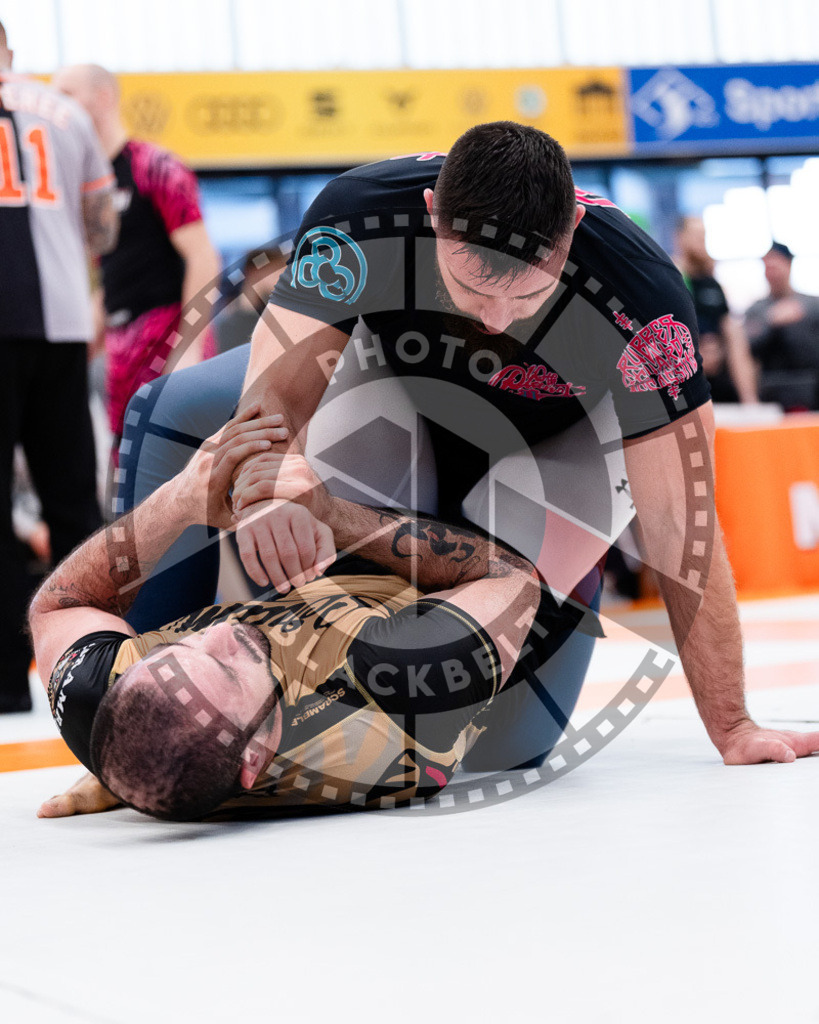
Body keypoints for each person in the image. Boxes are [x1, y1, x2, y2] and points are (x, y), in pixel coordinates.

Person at [117, 122, 806, 769]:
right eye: (474, 285)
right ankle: (158, 688)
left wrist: (732, 724)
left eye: (526, 289)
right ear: (430, 214)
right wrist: (269, 483)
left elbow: (680, 523)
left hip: (561, 443)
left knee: (493, 714)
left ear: (571, 228)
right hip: (401, 400)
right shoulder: (358, 217)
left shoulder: (643, 300)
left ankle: (565, 589)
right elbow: (270, 401)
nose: (497, 318)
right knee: (195, 430)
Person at [30, 407, 538, 820]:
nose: (220, 632)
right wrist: (333, 515)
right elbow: (511, 578)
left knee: (172, 405)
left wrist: (181, 500)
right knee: (543, 460)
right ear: (254, 760)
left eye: (182, 647)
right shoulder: (395, 687)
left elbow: (57, 606)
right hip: (467, 614)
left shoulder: (117, 703)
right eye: (227, 666)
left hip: (337, 586)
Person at [0, 22, 117, 713]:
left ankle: (2, 681)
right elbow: (101, 225)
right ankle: (95, 666)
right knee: (73, 498)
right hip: (62, 328)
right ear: (9, 52)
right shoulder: (66, 111)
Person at [52, 64, 221, 452]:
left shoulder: (156, 167)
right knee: (128, 478)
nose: (57, 105)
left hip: (167, 338)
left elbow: (203, 258)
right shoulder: (90, 184)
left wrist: (189, 346)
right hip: (120, 351)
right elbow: (110, 279)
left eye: (67, 94)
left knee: (186, 471)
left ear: (103, 98)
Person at [674, 215, 758, 404]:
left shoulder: (712, 284)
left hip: (717, 375)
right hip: (686, 377)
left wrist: (750, 399)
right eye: (695, 235)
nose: (701, 241)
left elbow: (733, 336)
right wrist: (696, 353)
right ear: (680, 237)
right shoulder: (673, 281)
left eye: (703, 236)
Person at [744, 241, 819, 411]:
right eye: (767, 267)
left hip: (812, 386)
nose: (772, 273)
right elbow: (746, 350)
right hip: (772, 389)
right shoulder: (756, 310)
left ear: (789, 265)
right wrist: (770, 322)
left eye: (776, 265)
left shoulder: (813, 305)